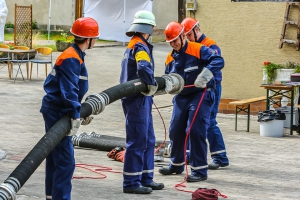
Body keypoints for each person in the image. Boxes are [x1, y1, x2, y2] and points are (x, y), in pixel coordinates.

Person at [40, 17, 99, 200]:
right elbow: (69, 90)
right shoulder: (71, 58)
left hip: (56, 109)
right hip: (58, 112)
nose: (95, 40)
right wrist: (76, 115)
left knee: (54, 155)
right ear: (88, 39)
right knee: (65, 161)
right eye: (95, 37)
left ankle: (52, 196)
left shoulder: (75, 55)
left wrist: (80, 109)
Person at [158, 21, 224, 182]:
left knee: (195, 129)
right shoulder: (170, 58)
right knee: (175, 129)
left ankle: (200, 170)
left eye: (175, 40)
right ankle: (176, 164)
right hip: (181, 96)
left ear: (182, 35)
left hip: (201, 93)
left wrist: (206, 75)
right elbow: (168, 77)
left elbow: (219, 61)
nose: (173, 44)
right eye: (170, 42)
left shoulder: (198, 49)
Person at [119, 10, 164, 194]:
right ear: (149, 28)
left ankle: (146, 177)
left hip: (141, 99)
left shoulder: (136, 44)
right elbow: (144, 67)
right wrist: (152, 84)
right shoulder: (139, 46)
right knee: (138, 140)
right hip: (137, 100)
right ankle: (131, 182)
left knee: (148, 139)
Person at [181, 17, 229, 170]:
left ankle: (220, 157)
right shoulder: (189, 46)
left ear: (196, 30)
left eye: (188, 34)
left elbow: (216, 64)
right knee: (191, 122)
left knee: (209, 122)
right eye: (185, 36)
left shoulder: (210, 45)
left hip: (211, 88)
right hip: (195, 90)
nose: (187, 38)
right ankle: (189, 155)